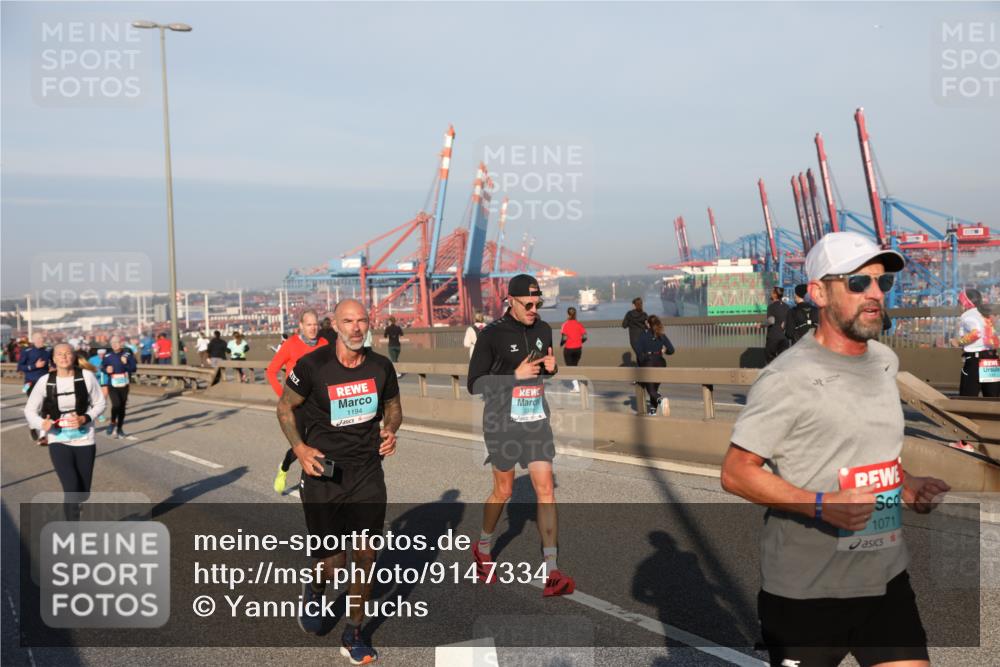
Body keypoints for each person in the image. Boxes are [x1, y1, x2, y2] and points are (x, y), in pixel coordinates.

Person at [721, 231, 950, 667]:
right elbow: (736, 472)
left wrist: (908, 485)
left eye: (883, 283)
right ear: (818, 292)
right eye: (858, 283)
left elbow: (866, 453)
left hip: (884, 580)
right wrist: (823, 505)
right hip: (807, 592)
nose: (875, 294)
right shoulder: (787, 378)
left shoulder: (885, 362)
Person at [275, 299, 401, 663]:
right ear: (336, 325)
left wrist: (390, 429)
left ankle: (354, 632)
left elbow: (393, 406)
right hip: (323, 473)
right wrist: (299, 448)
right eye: (348, 321)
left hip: (366, 470)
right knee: (334, 562)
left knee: (365, 554)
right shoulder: (312, 366)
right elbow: (285, 407)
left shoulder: (381, 366)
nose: (356, 327)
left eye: (362, 320)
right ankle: (316, 587)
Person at [467, 274, 574, 597]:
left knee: (546, 490)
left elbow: (545, 366)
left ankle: (552, 571)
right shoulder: (491, 335)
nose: (533, 308)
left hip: (535, 419)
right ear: (510, 301)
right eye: (527, 303)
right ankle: (483, 549)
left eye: (537, 303)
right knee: (504, 490)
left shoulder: (543, 329)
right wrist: (514, 376)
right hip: (502, 421)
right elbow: (475, 384)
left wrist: (552, 368)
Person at [23, 342, 106, 520]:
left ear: (74, 356)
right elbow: (29, 410)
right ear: (53, 359)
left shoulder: (87, 377)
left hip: (85, 440)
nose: (64, 357)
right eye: (59, 354)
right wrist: (41, 424)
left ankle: (78, 503)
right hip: (58, 440)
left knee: (83, 492)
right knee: (71, 488)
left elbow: (100, 403)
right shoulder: (45, 381)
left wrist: (86, 418)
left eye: (68, 353)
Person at [266, 310, 328, 493]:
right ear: (300, 326)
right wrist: (285, 397)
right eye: (309, 324)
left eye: (315, 324)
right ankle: (284, 468)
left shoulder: (324, 344)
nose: (313, 328)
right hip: (297, 405)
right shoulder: (291, 344)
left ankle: (318, 482)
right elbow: (271, 371)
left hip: (319, 404)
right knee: (300, 445)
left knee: (323, 442)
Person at [951, 287, 1000, 397]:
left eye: (959, 302)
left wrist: (959, 342)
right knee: (993, 398)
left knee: (967, 397)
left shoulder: (968, 315)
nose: (958, 305)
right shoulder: (984, 313)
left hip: (975, 360)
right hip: (991, 359)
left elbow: (976, 333)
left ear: (965, 303)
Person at [635, 315, 675, 415]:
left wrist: (642, 363)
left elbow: (639, 353)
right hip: (661, 363)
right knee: (654, 388)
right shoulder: (661, 335)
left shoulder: (642, 336)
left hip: (649, 362)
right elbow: (672, 350)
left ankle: (661, 401)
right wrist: (664, 351)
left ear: (648, 324)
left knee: (651, 389)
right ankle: (653, 410)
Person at [102, 335, 137, 439]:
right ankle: (113, 422)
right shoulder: (108, 356)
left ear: (121, 343)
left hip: (124, 384)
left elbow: (134, 368)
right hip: (112, 384)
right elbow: (103, 367)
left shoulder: (128, 355)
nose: (114, 345)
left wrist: (125, 364)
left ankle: (120, 428)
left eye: (116, 342)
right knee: (116, 404)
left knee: (122, 407)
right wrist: (106, 370)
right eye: (112, 343)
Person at [559, 307, 587, 393]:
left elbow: (564, 338)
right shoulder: (579, 324)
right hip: (578, 349)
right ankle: (578, 382)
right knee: (574, 366)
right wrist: (580, 342)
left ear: (568, 314)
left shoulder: (565, 324)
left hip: (569, 349)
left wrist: (561, 344)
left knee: (570, 368)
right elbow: (585, 337)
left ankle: (576, 387)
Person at [764, 286, 790, 363]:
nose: (771, 294)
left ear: (775, 295)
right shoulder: (787, 307)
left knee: (770, 360)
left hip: (773, 337)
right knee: (782, 361)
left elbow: (771, 321)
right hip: (784, 337)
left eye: (772, 292)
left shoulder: (771, 307)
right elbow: (787, 320)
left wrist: (762, 325)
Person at [621, 297, 649, 365]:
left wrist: (630, 323)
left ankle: (640, 370)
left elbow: (624, 325)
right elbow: (648, 326)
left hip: (634, 339)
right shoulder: (644, 314)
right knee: (643, 355)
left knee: (639, 355)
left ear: (634, 305)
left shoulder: (629, 314)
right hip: (643, 337)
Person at [87, 348, 111, 424]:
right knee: (94, 398)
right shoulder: (92, 359)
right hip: (95, 381)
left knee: (104, 398)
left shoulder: (109, 358)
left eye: (103, 354)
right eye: (100, 354)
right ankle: (92, 411)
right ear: (97, 354)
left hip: (105, 380)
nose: (101, 356)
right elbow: (87, 369)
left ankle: (100, 415)